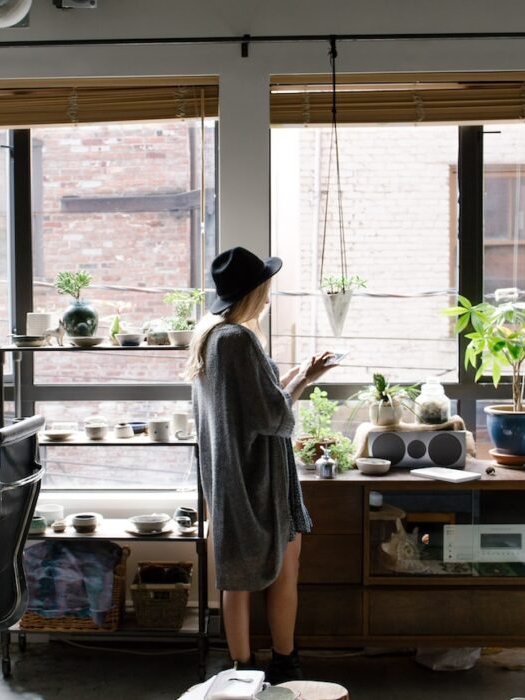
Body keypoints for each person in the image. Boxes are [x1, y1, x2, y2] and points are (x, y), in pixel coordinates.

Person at [185, 246, 337, 684]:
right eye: (266, 289)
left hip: (230, 480)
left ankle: (242, 670)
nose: (269, 297)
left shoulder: (211, 337)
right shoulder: (240, 339)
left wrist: (298, 376)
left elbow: (253, 402)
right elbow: (272, 417)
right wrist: (303, 384)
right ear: (252, 292)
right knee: (284, 572)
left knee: (235, 576)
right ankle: (285, 662)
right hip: (260, 481)